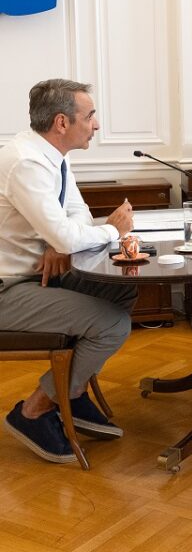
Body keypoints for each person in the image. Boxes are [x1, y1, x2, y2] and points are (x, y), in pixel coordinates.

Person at [0, 79, 136, 464]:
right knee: (113, 324)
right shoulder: (26, 162)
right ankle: (35, 409)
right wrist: (113, 230)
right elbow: (70, 231)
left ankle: (70, 393)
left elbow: (77, 216)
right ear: (62, 122)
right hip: (7, 290)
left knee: (122, 288)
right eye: (89, 116)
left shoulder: (53, 155)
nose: (96, 125)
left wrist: (57, 242)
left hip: (37, 276)